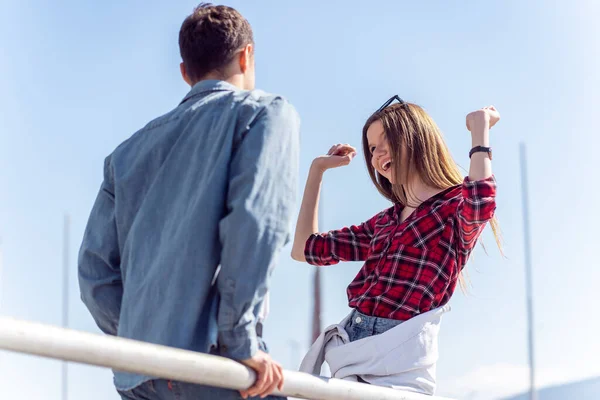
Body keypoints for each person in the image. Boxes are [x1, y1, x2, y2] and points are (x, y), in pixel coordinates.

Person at [78, 4, 300, 400]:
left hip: (141, 378)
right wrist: (241, 341)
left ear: (185, 72)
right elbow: (255, 227)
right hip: (215, 366)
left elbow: (94, 275)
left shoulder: (125, 156)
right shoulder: (264, 114)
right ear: (246, 55)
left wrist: (141, 341)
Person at [293, 96, 500, 394]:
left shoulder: (452, 208)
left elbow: (481, 201)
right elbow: (304, 249)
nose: (377, 155)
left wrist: (479, 132)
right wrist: (317, 171)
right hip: (350, 351)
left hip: (399, 363)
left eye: (385, 140)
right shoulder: (384, 222)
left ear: (415, 136)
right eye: (372, 148)